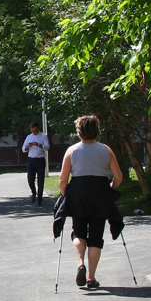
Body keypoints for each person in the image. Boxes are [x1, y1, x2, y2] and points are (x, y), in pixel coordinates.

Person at [57, 115, 123, 290]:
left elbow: (63, 179)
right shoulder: (106, 150)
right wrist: (110, 187)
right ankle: (91, 277)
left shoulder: (72, 150)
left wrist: (65, 195)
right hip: (100, 193)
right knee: (95, 236)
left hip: (78, 193)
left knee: (78, 232)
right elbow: (118, 177)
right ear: (96, 131)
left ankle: (80, 264)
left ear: (79, 132)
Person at [21, 122, 50, 205]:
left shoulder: (43, 136)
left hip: (40, 160)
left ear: (38, 129)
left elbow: (47, 147)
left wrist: (39, 145)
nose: (34, 132)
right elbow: (23, 149)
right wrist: (28, 146)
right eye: (32, 131)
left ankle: (39, 199)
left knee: (40, 180)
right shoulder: (29, 137)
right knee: (30, 180)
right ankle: (34, 193)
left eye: (35, 130)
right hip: (31, 160)